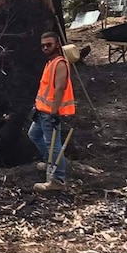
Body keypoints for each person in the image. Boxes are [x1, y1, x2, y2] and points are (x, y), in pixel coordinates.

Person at [29, 31, 76, 192]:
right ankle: (51, 163)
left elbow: (60, 89)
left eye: (49, 44)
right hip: (41, 111)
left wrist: (54, 112)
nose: (45, 48)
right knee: (33, 134)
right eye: (43, 45)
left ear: (57, 44)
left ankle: (58, 179)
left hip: (50, 113)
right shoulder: (50, 63)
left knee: (54, 145)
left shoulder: (60, 63)